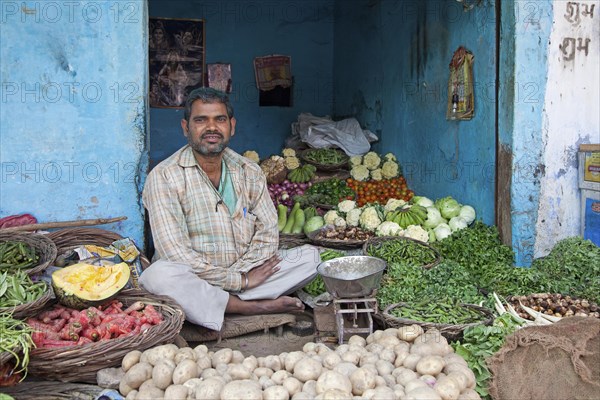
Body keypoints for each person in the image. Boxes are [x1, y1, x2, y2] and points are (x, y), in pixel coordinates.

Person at [140, 87, 319, 331]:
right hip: (198, 278)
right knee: (157, 276)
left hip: (246, 274)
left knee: (310, 257)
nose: (211, 128)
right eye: (201, 120)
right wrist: (239, 280)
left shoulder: (249, 171)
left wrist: (244, 274)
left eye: (219, 119)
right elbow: (176, 254)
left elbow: (267, 232)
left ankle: (219, 304)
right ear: (186, 128)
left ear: (231, 126)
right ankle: (249, 307)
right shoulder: (163, 177)